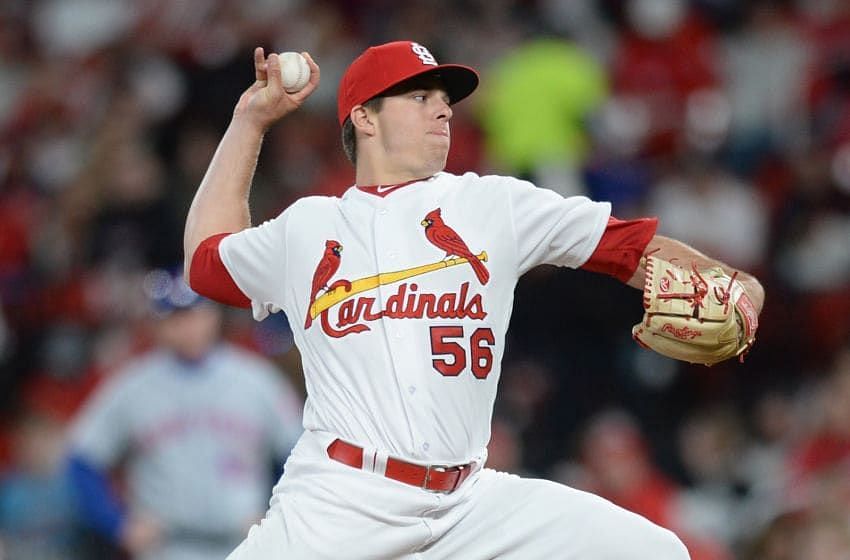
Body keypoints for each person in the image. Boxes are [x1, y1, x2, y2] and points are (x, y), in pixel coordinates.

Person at [183, 41, 765, 558]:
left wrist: (740, 284)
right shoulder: (308, 227)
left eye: (445, 98)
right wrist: (249, 123)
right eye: (419, 96)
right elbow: (206, 262)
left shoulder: (494, 205)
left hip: (467, 505)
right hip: (341, 501)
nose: (443, 109)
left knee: (654, 550)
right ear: (364, 117)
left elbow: (629, 248)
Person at [65, 269, 302, 560]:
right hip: (167, 547)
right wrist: (119, 525)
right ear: (158, 325)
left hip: (245, 543)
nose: (187, 326)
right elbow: (82, 460)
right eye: (175, 317)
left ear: (213, 316)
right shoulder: (132, 385)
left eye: (194, 313)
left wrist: (276, 514)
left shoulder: (257, 379)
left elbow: (299, 455)